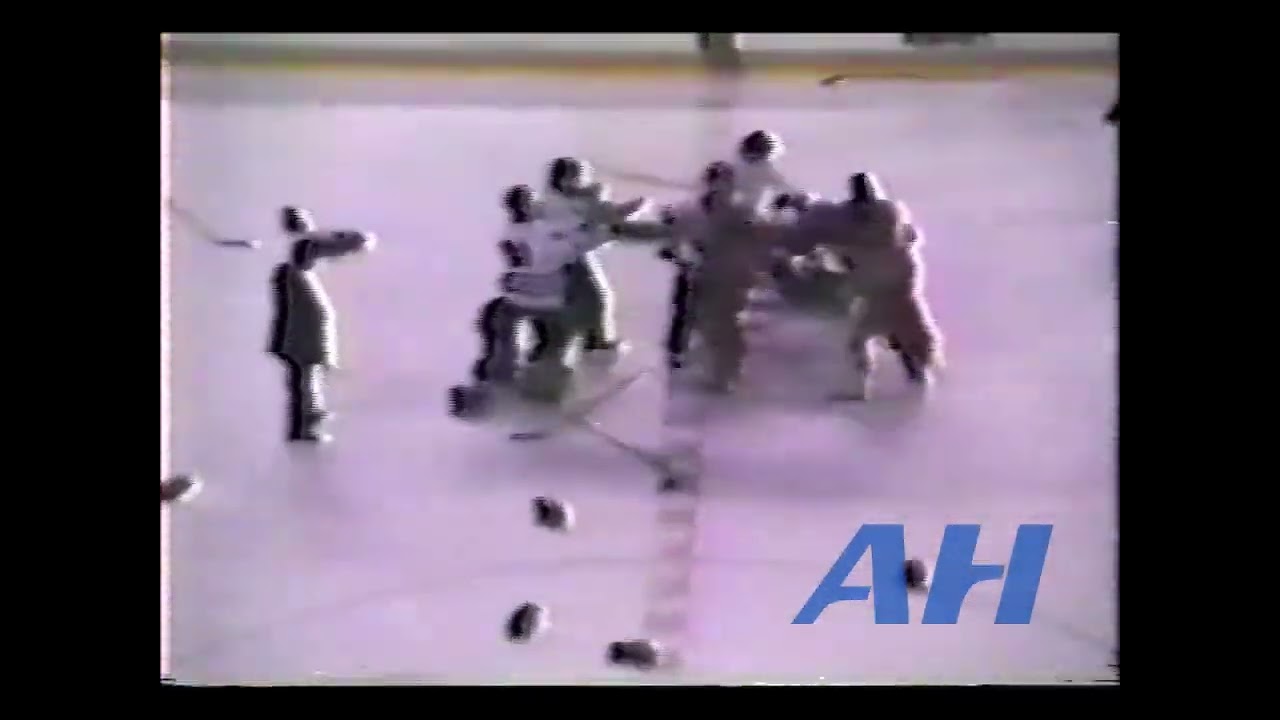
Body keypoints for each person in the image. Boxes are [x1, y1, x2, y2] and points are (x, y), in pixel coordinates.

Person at [267, 206, 375, 442]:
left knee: (306, 376)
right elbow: (354, 241)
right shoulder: (303, 252)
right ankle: (310, 421)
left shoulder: (296, 265)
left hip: (303, 332)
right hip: (304, 333)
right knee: (308, 375)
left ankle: (310, 419)